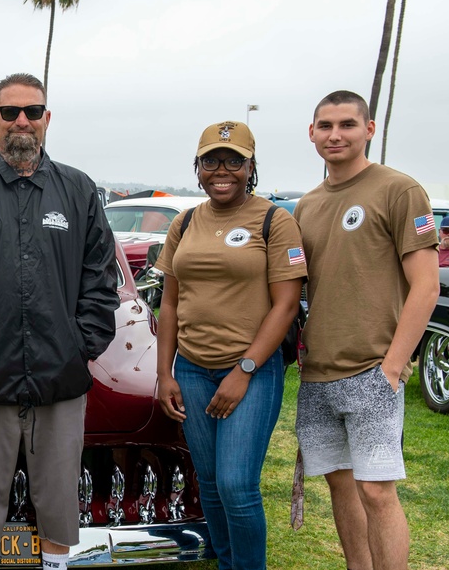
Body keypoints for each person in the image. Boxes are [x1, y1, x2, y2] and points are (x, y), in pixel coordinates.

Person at [0, 73, 120, 570]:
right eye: (10, 113)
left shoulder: (78, 190)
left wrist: (82, 345)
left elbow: (100, 277)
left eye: (32, 111)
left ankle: (54, 565)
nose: (22, 121)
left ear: (47, 118)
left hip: (61, 375)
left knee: (56, 499)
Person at [293, 90, 439, 570]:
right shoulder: (307, 205)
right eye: (325, 125)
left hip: (373, 370)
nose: (336, 134)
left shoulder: (399, 190)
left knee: (376, 491)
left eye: (347, 125)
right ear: (312, 133)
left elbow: (426, 285)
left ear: (369, 130)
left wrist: (393, 368)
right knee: (339, 483)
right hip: (318, 375)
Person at [155, 121, 305, 570]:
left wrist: (244, 370)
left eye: (234, 160)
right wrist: (165, 373)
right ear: (198, 167)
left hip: (252, 372)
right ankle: (226, 562)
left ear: (251, 166)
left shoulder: (275, 221)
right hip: (192, 371)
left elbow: (286, 305)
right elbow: (170, 301)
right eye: (211, 161)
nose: (222, 170)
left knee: (238, 485)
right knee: (212, 484)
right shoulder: (184, 222)